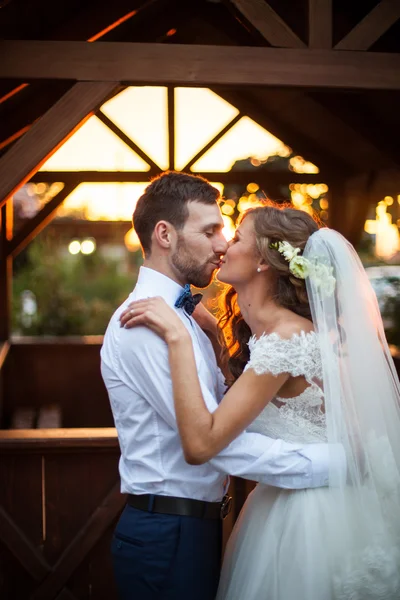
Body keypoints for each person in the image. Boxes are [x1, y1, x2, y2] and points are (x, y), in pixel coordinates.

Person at [122, 201, 400, 600]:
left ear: (264, 261)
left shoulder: (286, 341)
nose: (223, 246)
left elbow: (203, 441)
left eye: (235, 237)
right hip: (292, 503)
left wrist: (179, 339)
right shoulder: (281, 336)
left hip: (307, 524)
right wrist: (216, 338)